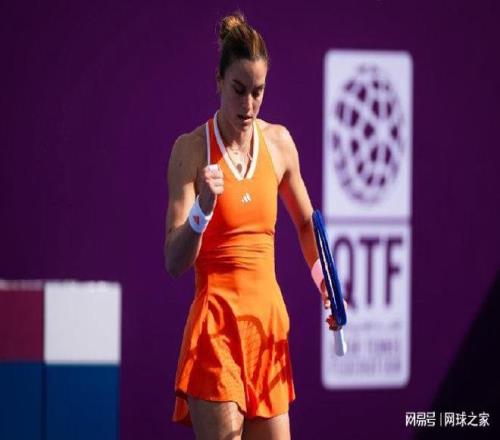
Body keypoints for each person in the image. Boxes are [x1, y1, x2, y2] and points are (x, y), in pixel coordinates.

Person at [164, 11, 343, 440]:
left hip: (267, 327)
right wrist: (201, 211)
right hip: (215, 330)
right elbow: (174, 260)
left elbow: (306, 224)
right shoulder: (190, 151)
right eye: (238, 90)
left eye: (258, 92)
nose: (248, 105)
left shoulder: (280, 144)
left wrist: (325, 283)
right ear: (219, 81)